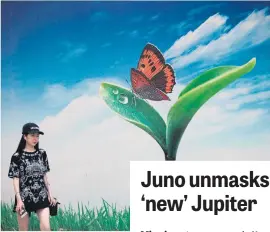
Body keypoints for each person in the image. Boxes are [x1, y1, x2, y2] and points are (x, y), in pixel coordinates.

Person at [8, 122, 57, 231]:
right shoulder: (17, 157)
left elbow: (44, 175)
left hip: (42, 195)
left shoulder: (42, 153)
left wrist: (50, 194)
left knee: (46, 227)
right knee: (23, 229)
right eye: (32, 135)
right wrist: (19, 199)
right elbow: (16, 179)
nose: (35, 138)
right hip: (24, 198)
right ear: (25, 136)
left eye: (37, 136)